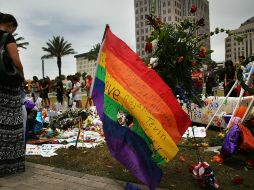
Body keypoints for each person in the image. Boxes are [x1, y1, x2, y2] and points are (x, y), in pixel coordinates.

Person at [0, 13, 25, 176]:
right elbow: (15, 61)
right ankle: (9, 165)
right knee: (10, 125)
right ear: (9, 25)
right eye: (13, 30)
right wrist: (22, 76)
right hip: (7, 86)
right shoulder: (7, 37)